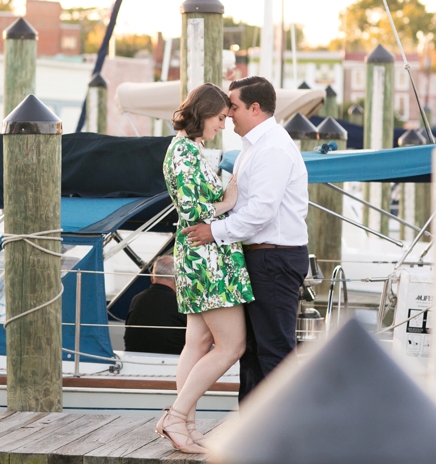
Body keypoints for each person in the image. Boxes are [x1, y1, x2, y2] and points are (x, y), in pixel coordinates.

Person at [182, 76, 309, 401]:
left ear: (255, 108)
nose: (228, 114)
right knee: (251, 353)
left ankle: (283, 439)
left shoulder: (274, 148)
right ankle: (252, 433)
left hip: (274, 258)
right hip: (257, 257)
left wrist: (213, 232)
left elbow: (262, 211)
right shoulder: (251, 150)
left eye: (233, 107)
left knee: (275, 352)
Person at [155, 83, 253, 455]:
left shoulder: (189, 149)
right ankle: (177, 417)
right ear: (203, 113)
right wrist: (228, 201)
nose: (223, 125)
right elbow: (194, 212)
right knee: (232, 345)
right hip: (206, 257)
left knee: (196, 342)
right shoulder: (183, 152)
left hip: (201, 255)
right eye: (219, 118)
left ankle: (187, 426)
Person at [124, 256, 186, 355]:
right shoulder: (182, 303)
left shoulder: (136, 299)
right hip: (173, 362)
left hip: (134, 360)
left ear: (152, 277)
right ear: (178, 279)